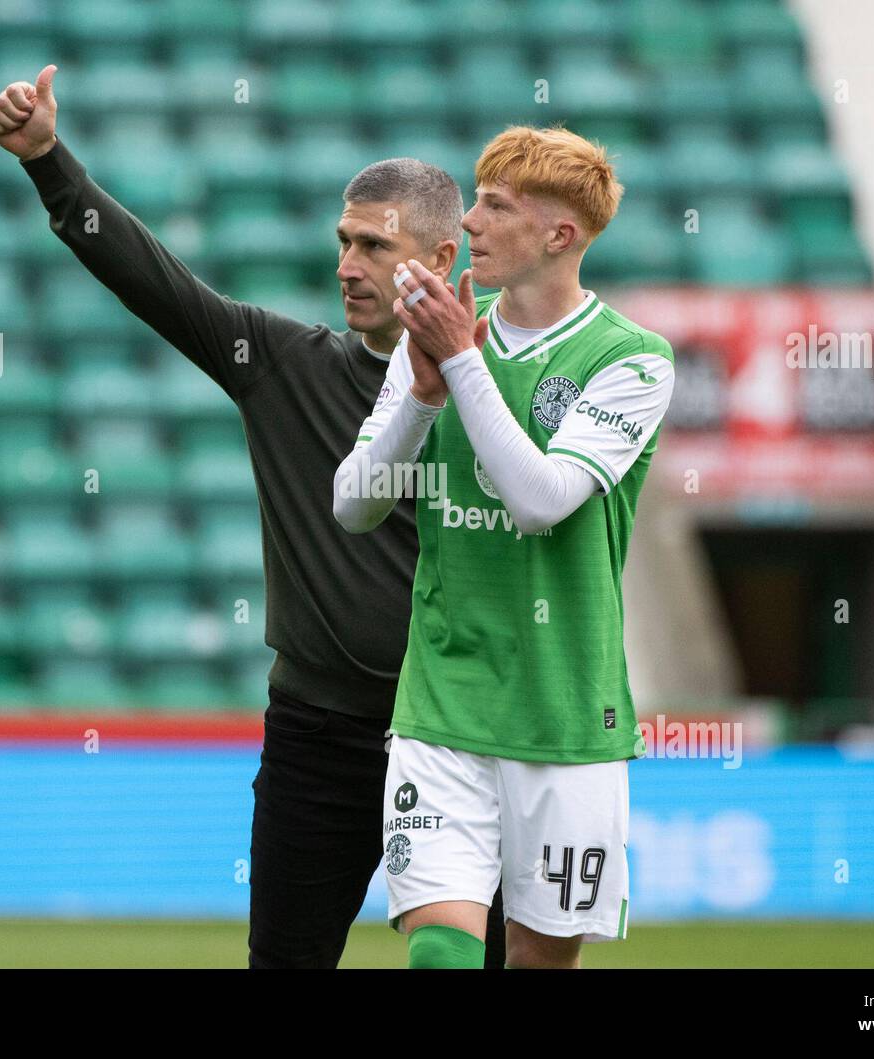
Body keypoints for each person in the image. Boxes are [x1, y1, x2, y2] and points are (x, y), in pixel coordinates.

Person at [0, 66, 507, 967]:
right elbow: (155, 281)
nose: (347, 266)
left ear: (443, 259)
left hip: (462, 739)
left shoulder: (503, 389)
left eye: (375, 248)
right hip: (318, 739)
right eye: (343, 243)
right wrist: (47, 163)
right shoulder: (281, 362)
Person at [333, 126, 675, 968]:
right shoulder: (438, 336)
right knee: (441, 955)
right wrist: (419, 394)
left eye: (495, 205)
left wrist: (461, 364)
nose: (471, 221)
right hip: (443, 702)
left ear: (560, 235)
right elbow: (353, 505)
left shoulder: (632, 359)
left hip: (565, 713)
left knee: (538, 959)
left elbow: (540, 501)